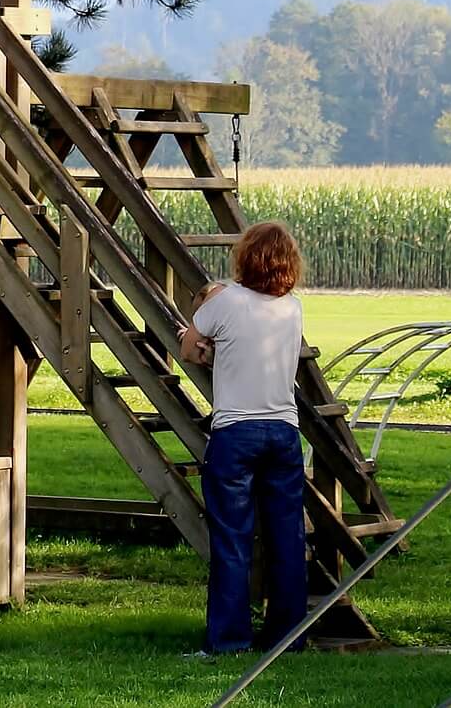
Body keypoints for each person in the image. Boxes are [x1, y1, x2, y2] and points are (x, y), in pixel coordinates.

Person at [179, 221, 308, 656]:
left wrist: (203, 346)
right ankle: (288, 636)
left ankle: (229, 640)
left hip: (236, 430)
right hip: (284, 431)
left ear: (246, 257)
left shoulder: (225, 300)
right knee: (286, 539)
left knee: (233, 539)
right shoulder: (293, 307)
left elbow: (189, 348)